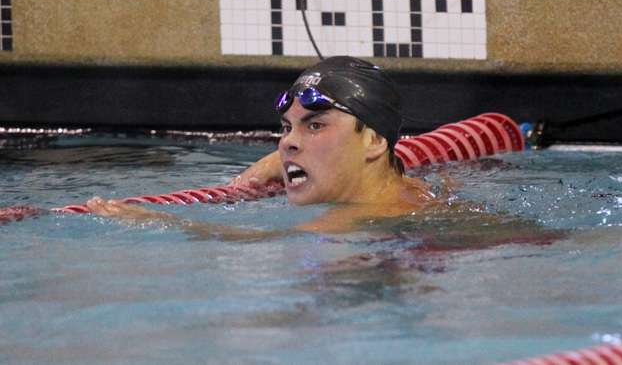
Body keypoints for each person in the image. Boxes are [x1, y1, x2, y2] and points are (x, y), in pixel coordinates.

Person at [86, 56, 441, 237]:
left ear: (375, 141)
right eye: (286, 129)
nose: (288, 142)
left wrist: (164, 222)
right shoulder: (419, 192)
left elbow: (260, 241)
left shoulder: (349, 225)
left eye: (315, 125)